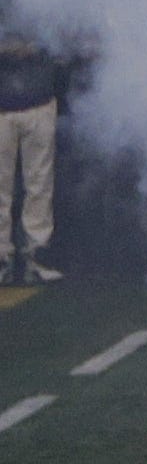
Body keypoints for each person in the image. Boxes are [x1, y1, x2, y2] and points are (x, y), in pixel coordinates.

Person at [0, 14, 63, 283]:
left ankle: (36, 255)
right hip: (3, 106)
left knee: (40, 186)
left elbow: (63, 39)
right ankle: (2, 258)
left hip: (39, 100)